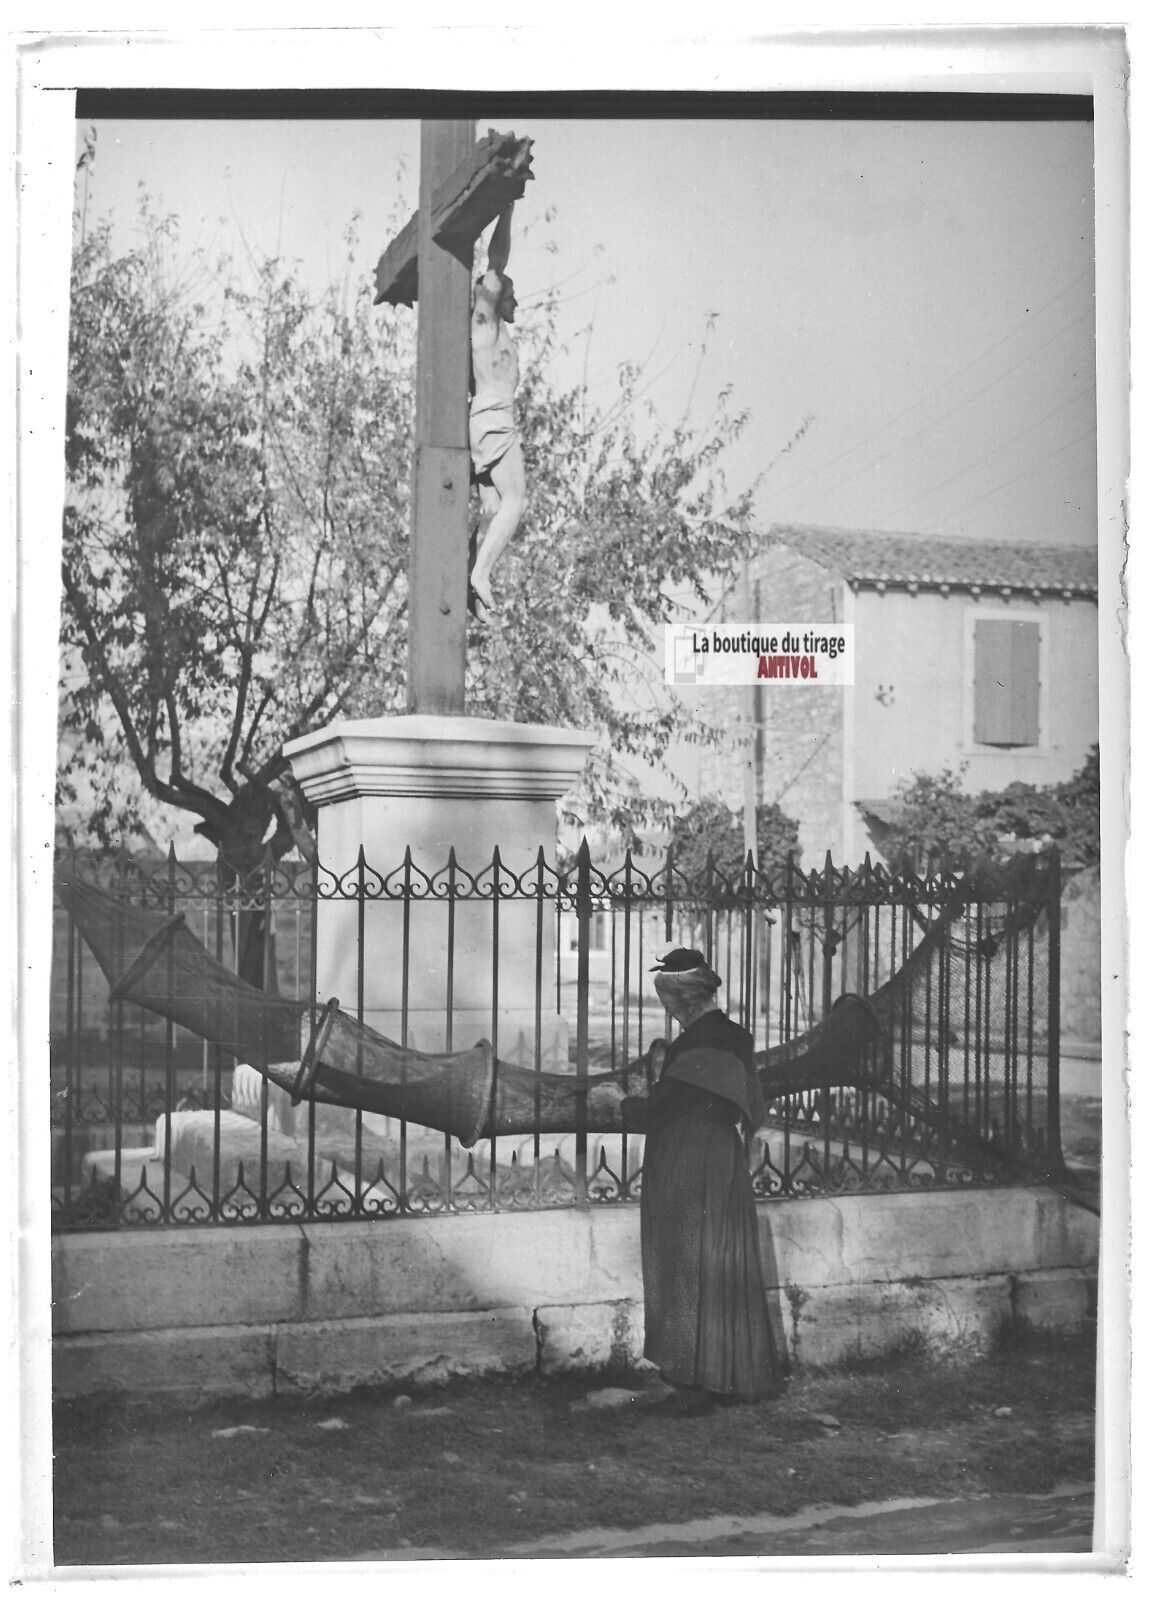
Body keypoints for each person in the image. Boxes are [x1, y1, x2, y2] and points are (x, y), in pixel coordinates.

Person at [623, 947, 783, 1415]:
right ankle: (729, 1373)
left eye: (669, 1004)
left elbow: (660, 1109)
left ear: (686, 1001)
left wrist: (622, 1102)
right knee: (722, 1262)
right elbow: (751, 1104)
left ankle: (692, 1382)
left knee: (686, 1264)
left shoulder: (694, 1045)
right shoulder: (738, 1038)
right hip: (724, 1162)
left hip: (685, 1164)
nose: (668, 1013)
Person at [468, 205, 527, 621]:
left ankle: (474, 580)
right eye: (509, 290)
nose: (516, 297)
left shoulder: (502, 334)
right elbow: (497, 261)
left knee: (493, 510)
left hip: (494, 420)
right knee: (517, 501)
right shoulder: (484, 325)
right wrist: (505, 207)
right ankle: (481, 576)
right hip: (491, 419)